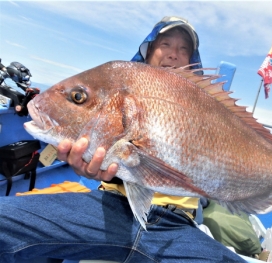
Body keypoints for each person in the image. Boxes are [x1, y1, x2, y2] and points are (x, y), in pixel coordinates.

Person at [0, 16, 246, 263]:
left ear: (192, 60)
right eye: (166, 44)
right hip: (109, 208)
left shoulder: (206, 112)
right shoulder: (119, 89)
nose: (174, 54)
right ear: (148, 50)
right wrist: (89, 168)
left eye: (184, 49)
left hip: (178, 223)